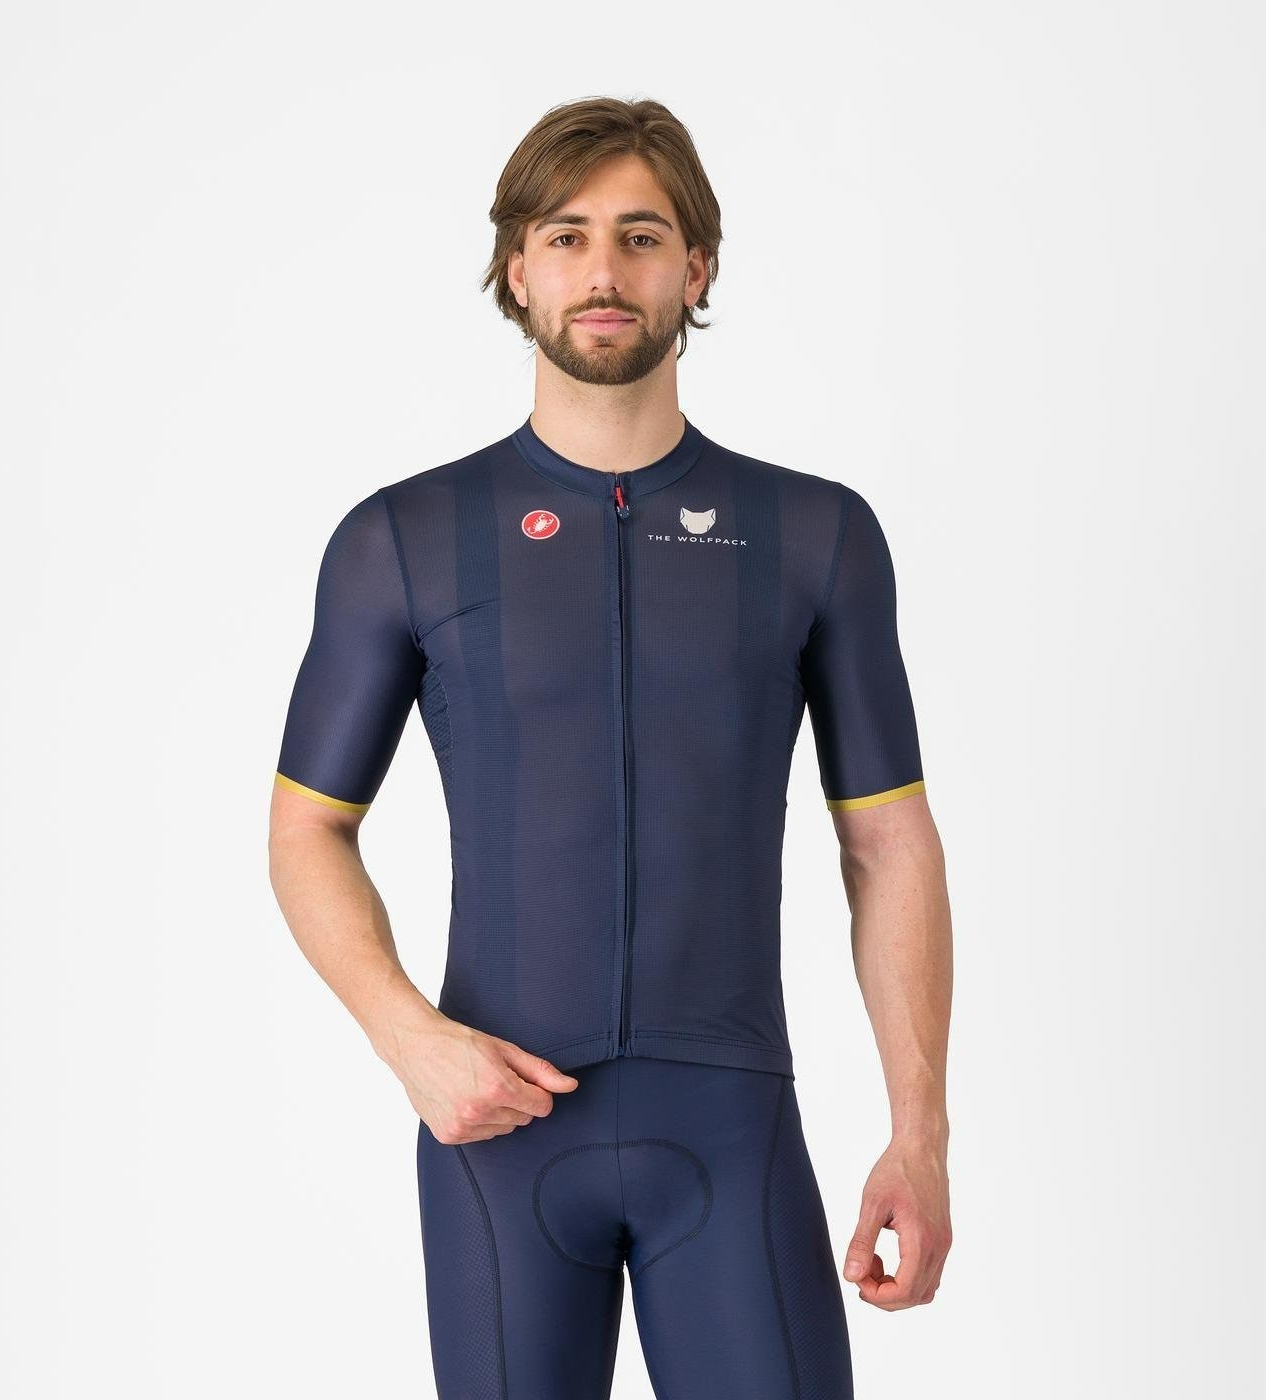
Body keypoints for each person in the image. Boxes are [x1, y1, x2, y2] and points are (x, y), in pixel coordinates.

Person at [268, 95, 953, 1400]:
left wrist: (918, 1134)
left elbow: (890, 843)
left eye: (641, 236)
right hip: (499, 1133)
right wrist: (409, 1038)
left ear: (697, 268)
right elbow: (307, 827)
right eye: (566, 235)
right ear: (516, 270)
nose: (603, 270)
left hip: (732, 1131)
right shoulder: (406, 540)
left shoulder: (815, 537)